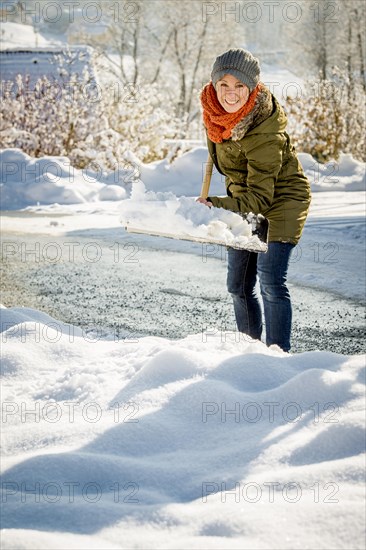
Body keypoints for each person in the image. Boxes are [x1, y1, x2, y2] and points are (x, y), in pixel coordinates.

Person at [197, 48, 311, 352]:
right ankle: (250, 353)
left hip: (282, 198)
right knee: (237, 285)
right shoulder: (215, 115)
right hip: (244, 198)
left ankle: (277, 357)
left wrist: (217, 206)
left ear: (252, 89)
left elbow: (260, 199)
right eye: (224, 85)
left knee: (270, 281)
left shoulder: (264, 130)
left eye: (239, 86)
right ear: (214, 85)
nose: (230, 94)